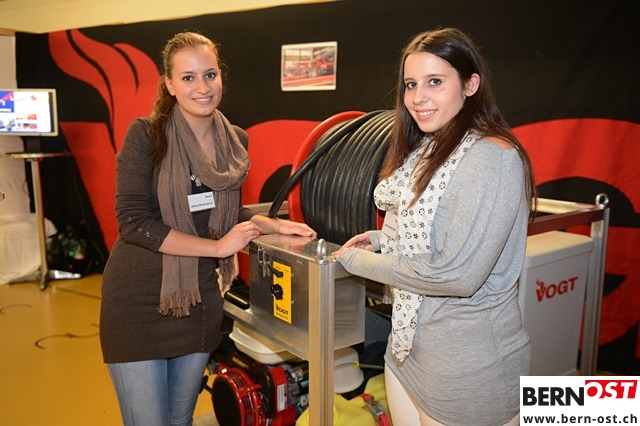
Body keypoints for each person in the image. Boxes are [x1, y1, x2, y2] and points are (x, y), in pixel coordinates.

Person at [99, 31, 316, 426]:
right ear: (169, 84)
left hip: (199, 301)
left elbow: (222, 217)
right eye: (188, 77)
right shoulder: (146, 136)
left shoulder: (235, 141)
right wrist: (218, 249)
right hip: (138, 302)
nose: (202, 87)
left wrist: (270, 224)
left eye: (210, 75)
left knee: (180, 419)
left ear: (220, 77)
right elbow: (133, 222)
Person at [332, 28, 536, 426]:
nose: (417, 97)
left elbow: (457, 274)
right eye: (411, 84)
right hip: (408, 353)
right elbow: (429, 234)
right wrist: (379, 241)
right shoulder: (430, 146)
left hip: (467, 372)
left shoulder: (490, 156)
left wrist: (360, 263)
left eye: (435, 82)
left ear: (471, 85)